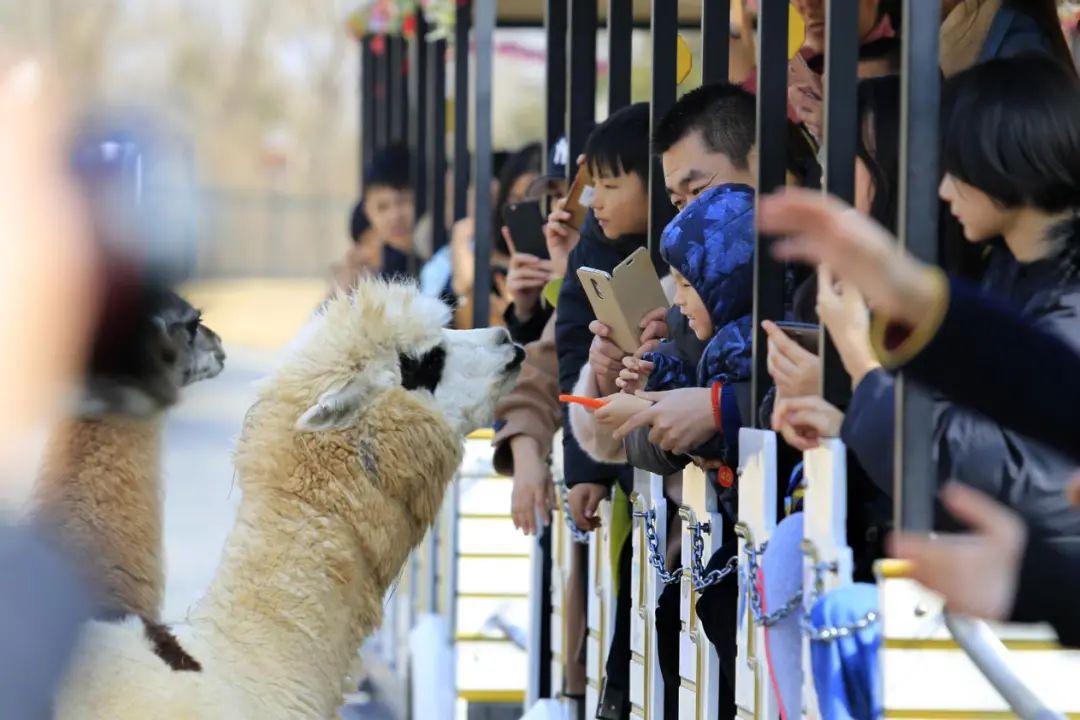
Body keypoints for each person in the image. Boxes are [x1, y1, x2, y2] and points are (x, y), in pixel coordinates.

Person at [775, 56, 1080, 538]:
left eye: (954, 166)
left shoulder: (1063, 297)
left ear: (999, 155)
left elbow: (1013, 475)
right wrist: (846, 419)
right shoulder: (1012, 274)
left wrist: (859, 363)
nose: (940, 187)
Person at [550, 102, 654, 719]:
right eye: (596, 185)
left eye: (613, 185)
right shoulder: (594, 246)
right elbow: (568, 351)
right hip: (613, 458)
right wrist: (583, 469)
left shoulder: (685, 248)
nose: (596, 200)